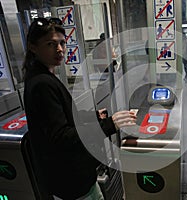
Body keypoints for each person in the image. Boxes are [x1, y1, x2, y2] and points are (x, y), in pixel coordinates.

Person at [23, 17, 136, 199]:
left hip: (72, 179)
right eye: (50, 44)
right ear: (33, 47)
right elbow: (61, 137)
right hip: (72, 182)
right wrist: (109, 125)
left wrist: (93, 116)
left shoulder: (42, 76)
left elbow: (63, 116)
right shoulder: (41, 84)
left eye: (62, 43)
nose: (59, 49)